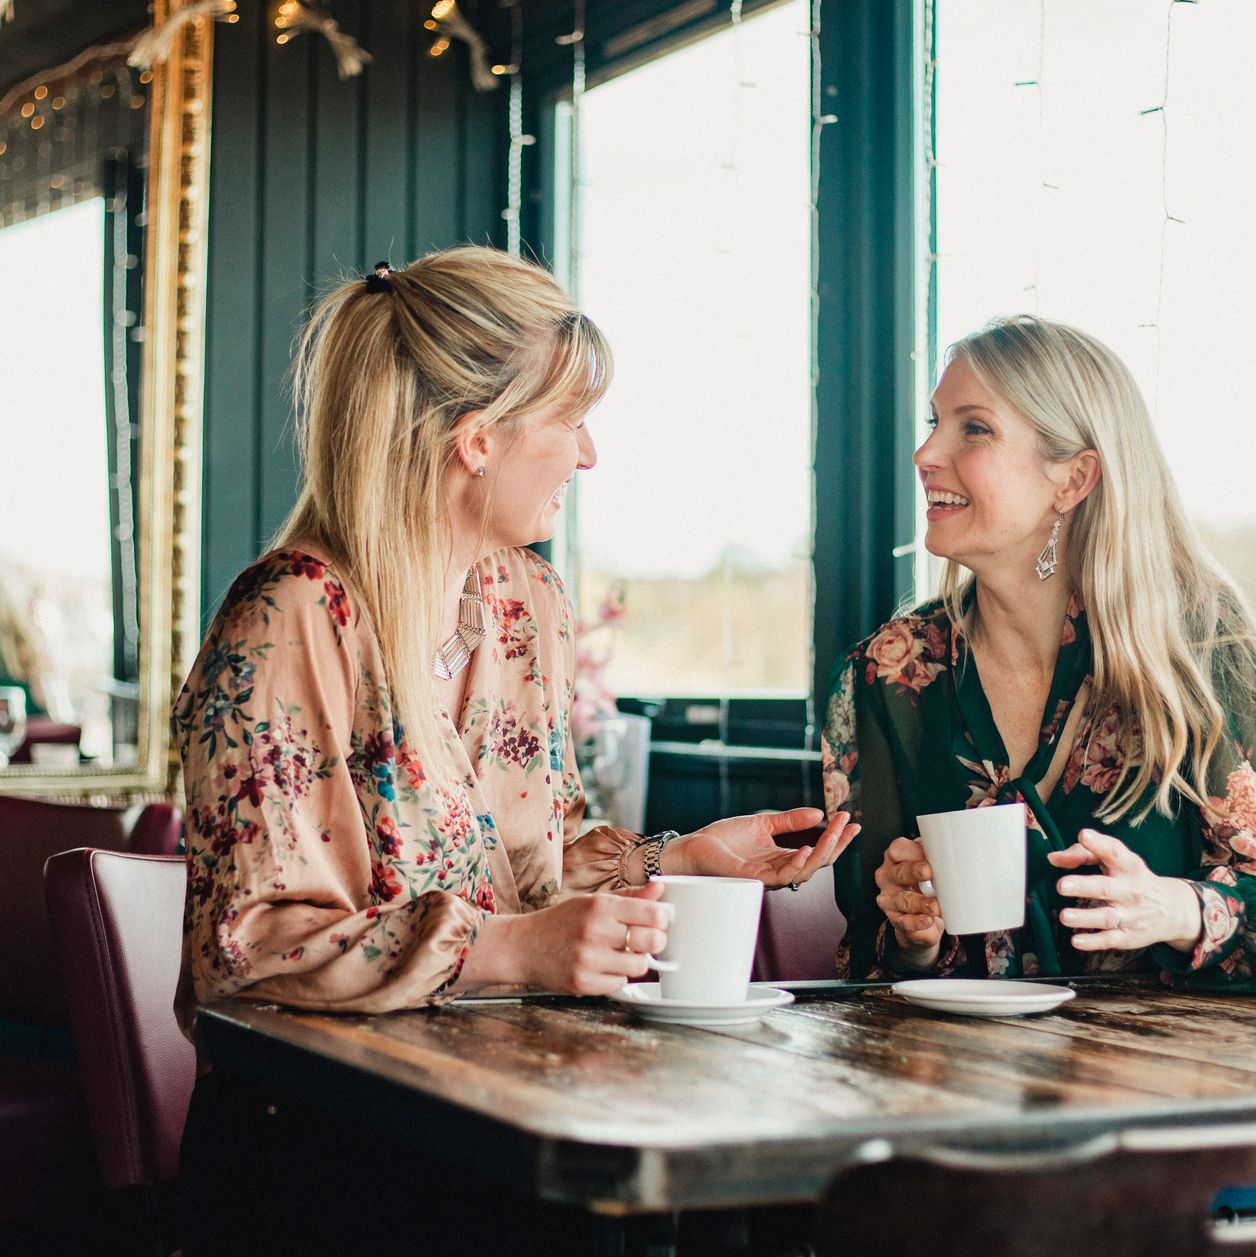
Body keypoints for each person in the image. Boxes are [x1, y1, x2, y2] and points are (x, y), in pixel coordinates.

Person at [174, 247, 858, 1256]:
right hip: (329, 1139)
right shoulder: (290, 615)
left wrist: (676, 858)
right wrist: (508, 952)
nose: (590, 458)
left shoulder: (523, 603)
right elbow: (253, 946)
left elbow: (528, 860)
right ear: (477, 440)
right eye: (572, 422)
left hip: (504, 1102)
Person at [823, 314, 1256, 990]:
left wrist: (1178, 908)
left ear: (1072, 479)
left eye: (973, 427)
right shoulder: (887, 672)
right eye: (933, 421)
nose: (925, 453)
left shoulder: (1201, 646)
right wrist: (909, 933)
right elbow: (864, 957)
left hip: (1167, 1086)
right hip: (967, 1083)